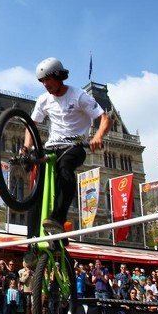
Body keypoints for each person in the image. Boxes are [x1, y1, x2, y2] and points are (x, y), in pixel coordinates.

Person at [23, 57, 111, 233]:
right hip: (52, 146)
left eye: (48, 79)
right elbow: (31, 126)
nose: (45, 84)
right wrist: (25, 148)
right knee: (34, 176)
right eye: (42, 81)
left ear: (59, 76)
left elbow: (105, 118)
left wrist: (98, 136)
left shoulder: (79, 96)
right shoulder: (43, 100)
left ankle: (58, 217)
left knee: (65, 167)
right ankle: (32, 237)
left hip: (74, 146)